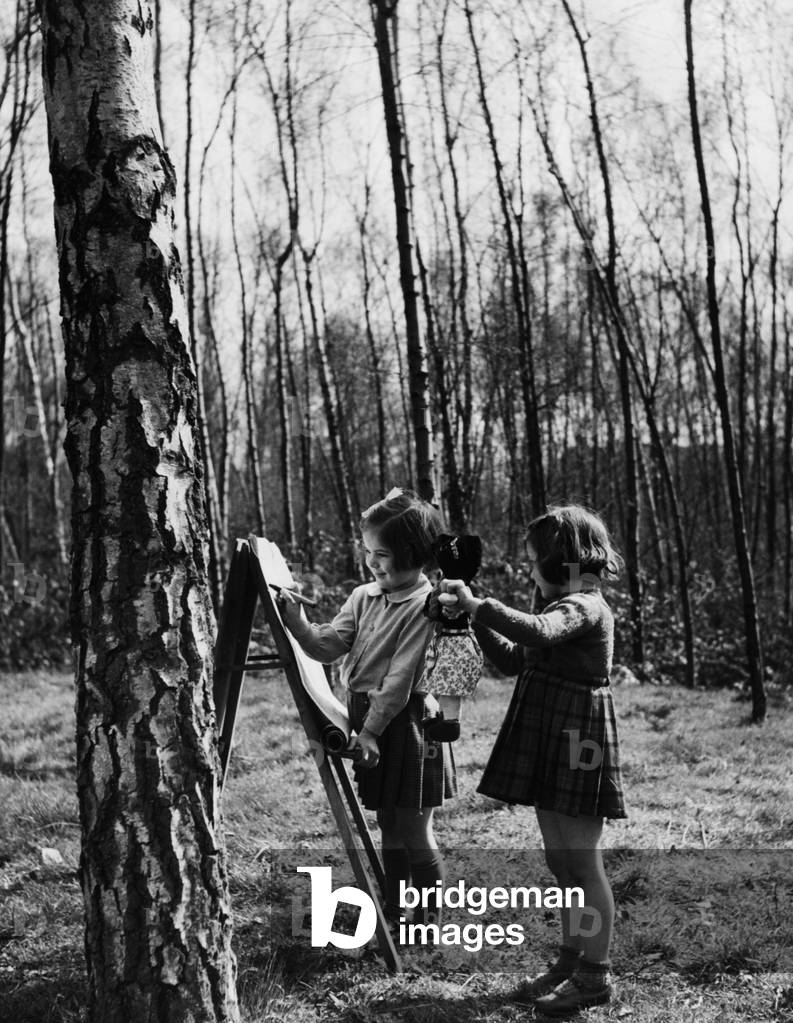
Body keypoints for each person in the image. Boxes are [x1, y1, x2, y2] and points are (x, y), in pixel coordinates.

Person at [440, 505, 626, 1017]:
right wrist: (471, 621)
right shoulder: (558, 608)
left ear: (562, 560)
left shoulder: (585, 607)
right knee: (560, 862)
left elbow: (538, 632)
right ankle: (571, 960)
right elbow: (513, 657)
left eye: (534, 562)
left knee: (582, 862)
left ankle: (595, 974)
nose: (529, 572)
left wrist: (478, 604)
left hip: (576, 743)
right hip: (550, 737)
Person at [277, 488, 456, 928]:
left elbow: (399, 682)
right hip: (367, 719)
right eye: (368, 552)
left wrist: (372, 731)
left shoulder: (423, 606)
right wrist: (297, 622)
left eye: (382, 554)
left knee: (414, 830)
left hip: (406, 721)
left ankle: (428, 921)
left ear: (412, 554)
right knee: (389, 827)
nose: (372, 562)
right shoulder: (362, 596)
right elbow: (330, 645)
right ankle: (395, 914)